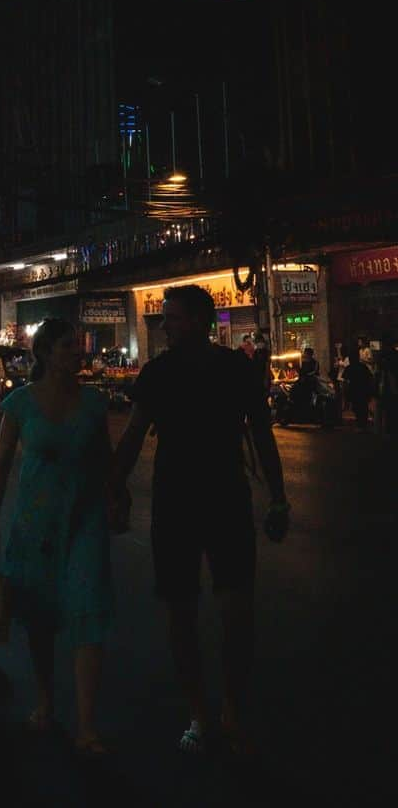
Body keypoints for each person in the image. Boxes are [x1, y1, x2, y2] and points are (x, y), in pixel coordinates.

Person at [109, 285, 288, 758]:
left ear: (199, 322)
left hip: (226, 499)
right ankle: (199, 714)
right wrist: (114, 487)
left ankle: (229, 710)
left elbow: (262, 437)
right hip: (175, 504)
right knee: (181, 613)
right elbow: (131, 438)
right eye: (165, 318)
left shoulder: (236, 370)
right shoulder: (157, 373)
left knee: (237, 613)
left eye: (172, 318)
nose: (164, 326)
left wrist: (279, 498)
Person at [0, 319, 115, 757]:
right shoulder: (19, 404)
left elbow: (105, 461)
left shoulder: (95, 404)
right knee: (39, 617)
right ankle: (45, 702)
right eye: (68, 346)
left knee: (87, 614)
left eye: (78, 346)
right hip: (35, 523)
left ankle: (88, 725)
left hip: (85, 519)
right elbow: (1, 466)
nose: (78, 353)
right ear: (45, 353)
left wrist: (118, 498)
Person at [343, 348, 374, 430]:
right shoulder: (363, 367)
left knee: (357, 407)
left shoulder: (349, 368)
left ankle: (360, 423)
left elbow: (345, 381)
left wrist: (346, 391)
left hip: (354, 390)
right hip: (363, 390)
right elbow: (370, 378)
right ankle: (363, 423)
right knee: (363, 406)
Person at [378, 334, 398, 435]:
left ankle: (389, 428)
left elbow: (382, 370)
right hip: (391, 383)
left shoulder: (384, 355)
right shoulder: (394, 354)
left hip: (387, 384)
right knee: (393, 407)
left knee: (388, 408)